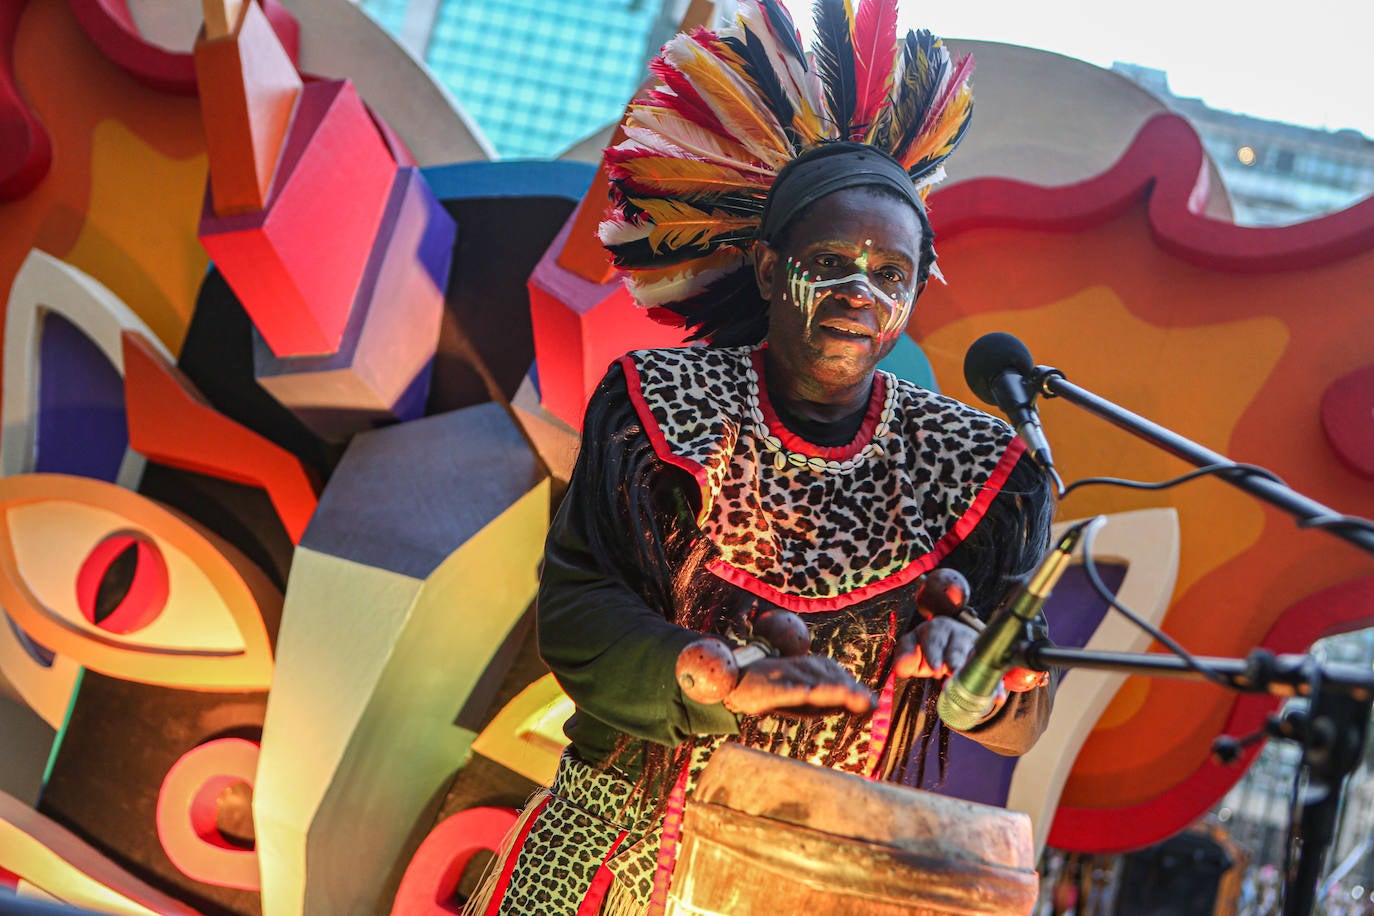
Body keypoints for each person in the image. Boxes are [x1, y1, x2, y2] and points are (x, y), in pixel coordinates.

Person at [464, 2, 1056, 914]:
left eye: (891, 275)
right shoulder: (659, 410)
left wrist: (973, 678)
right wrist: (722, 676)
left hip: (812, 876)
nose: (862, 295)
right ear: (771, 268)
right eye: (833, 263)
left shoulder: (972, 465)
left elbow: (1017, 713)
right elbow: (579, 616)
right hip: (608, 850)